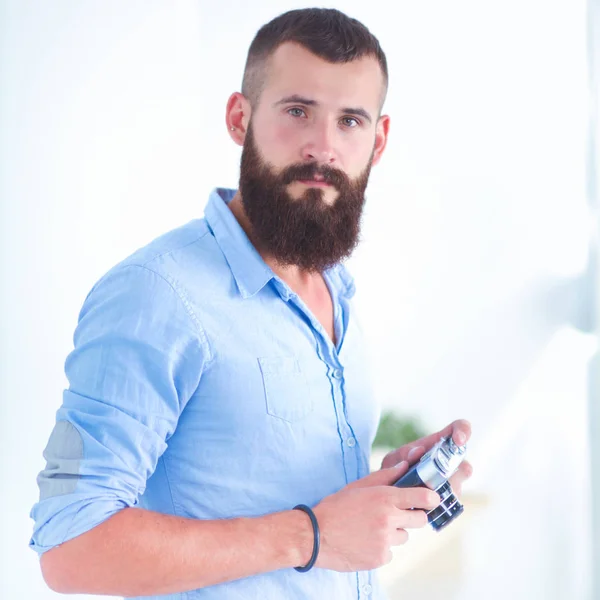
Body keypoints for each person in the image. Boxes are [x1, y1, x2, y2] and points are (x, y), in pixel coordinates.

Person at [29, 7, 472, 599]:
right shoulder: (156, 294)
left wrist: (379, 495)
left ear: (379, 139)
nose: (324, 147)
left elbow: (278, 501)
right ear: (240, 118)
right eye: (297, 112)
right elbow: (69, 547)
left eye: (349, 121)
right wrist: (307, 536)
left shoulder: (334, 290)